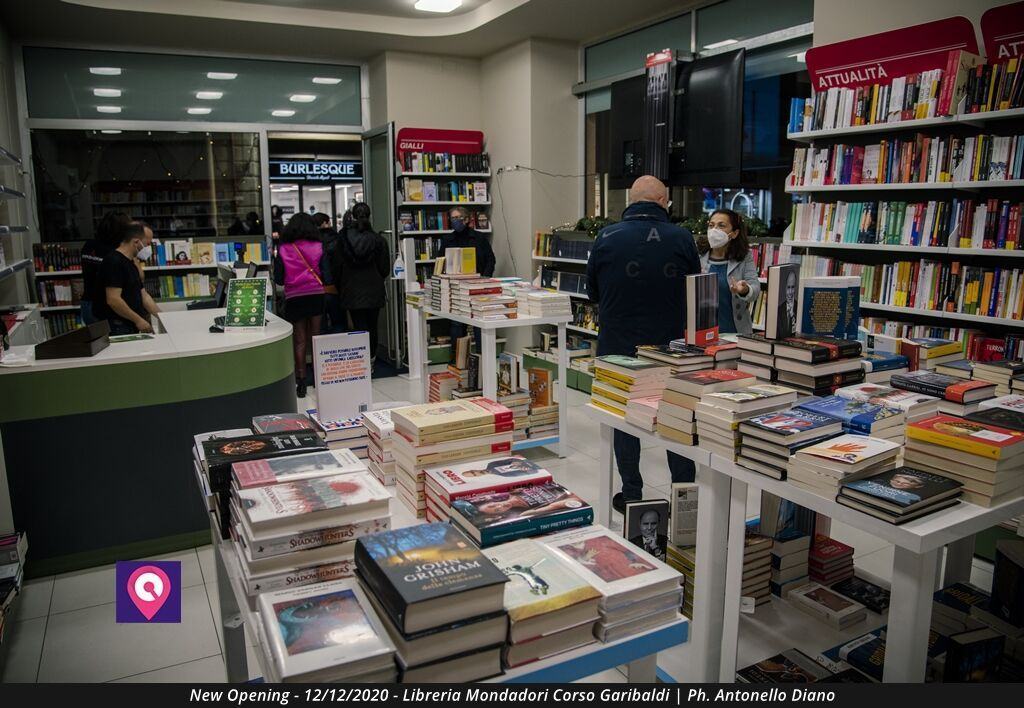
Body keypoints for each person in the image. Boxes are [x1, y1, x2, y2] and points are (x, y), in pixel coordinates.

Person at [586, 175, 701, 513]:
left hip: (618, 344)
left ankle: (631, 493)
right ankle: (683, 496)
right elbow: (696, 290)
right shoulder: (682, 238)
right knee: (677, 416)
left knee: (624, 417)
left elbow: (593, 292)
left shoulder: (606, 236)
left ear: (630, 201)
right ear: (664, 201)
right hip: (672, 348)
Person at [273, 213, 329, 398]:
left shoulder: (283, 249)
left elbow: (279, 279)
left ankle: (302, 382)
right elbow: (327, 276)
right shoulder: (319, 247)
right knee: (316, 337)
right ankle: (320, 378)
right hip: (315, 294)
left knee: (299, 340)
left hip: (294, 297)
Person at [331, 202, 390, 369]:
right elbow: (384, 269)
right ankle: (371, 361)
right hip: (374, 289)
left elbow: (336, 267)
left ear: (352, 216)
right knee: (372, 326)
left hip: (351, 289)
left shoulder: (342, 239)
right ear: (369, 216)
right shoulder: (379, 240)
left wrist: (341, 285)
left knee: (358, 327)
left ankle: (360, 362)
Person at [699, 208, 762, 336]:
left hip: (735, 332)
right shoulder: (698, 256)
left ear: (734, 233)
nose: (714, 230)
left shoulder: (745, 257)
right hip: (703, 331)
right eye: (711, 225)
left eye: (721, 226)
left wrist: (744, 290)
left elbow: (755, 290)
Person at [98, 221, 161, 335]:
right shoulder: (114, 261)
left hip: (130, 324)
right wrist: (138, 320)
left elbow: (143, 295)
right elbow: (113, 300)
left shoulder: (131, 262)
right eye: (147, 244)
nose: (148, 249)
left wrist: (163, 317)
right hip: (118, 326)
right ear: (136, 242)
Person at [80, 211, 130, 325]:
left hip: (87, 300)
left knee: (96, 339)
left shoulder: (89, 245)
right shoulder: (115, 253)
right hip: (103, 306)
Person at [314, 212, 344, 334]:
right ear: (325, 223)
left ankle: (322, 350)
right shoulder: (336, 238)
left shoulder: (312, 242)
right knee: (338, 321)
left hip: (315, 286)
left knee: (321, 325)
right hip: (334, 286)